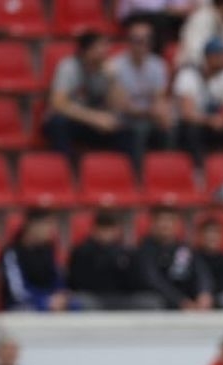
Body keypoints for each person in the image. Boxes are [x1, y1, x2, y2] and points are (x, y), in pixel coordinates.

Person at [45, 32, 146, 175]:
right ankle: (65, 174)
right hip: (74, 120)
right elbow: (58, 103)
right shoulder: (69, 67)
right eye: (101, 46)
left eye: (106, 46)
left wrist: (113, 79)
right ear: (87, 50)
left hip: (95, 123)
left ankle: (129, 177)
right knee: (58, 124)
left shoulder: (107, 70)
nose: (106, 50)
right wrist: (94, 118)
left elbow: (121, 105)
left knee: (129, 132)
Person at [109, 18, 180, 155]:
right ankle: (138, 167)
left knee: (170, 126)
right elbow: (122, 105)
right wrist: (149, 112)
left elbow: (159, 97)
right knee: (140, 129)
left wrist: (161, 113)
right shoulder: (115, 66)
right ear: (129, 42)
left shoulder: (158, 65)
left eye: (147, 40)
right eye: (138, 40)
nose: (142, 45)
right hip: (125, 119)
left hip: (149, 116)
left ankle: (167, 164)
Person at [67, 209, 160, 310]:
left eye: (110, 228)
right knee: (80, 300)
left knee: (151, 301)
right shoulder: (81, 252)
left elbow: (138, 282)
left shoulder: (127, 253)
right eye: (102, 228)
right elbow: (76, 283)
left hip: (123, 299)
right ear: (94, 230)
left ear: (117, 230)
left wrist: (121, 264)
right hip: (95, 298)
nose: (106, 233)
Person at [173, 36, 223, 156]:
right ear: (210, 57)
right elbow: (187, 114)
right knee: (193, 131)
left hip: (215, 123)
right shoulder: (188, 74)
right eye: (222, 55)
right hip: (191, 124)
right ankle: (197, 166)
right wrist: (209, 120)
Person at [0, 209, 79, 313]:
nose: (52, 230)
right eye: (47, 224)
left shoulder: (48, 249)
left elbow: (56, 278)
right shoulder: (11, 253)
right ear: (32, 225)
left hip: (49, 301)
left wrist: (60, 296)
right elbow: (17, 291)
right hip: (22, 305)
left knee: (77, 305)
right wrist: (44, 301)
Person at [136, 206, 211, 309]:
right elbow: (153, 281)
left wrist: (204, 292)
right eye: (161, 220)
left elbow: (201, 272)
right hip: (161, 304)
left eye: (170, 220)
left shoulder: (184, 248)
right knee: (152, 302)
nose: (165, 225)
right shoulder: (145, 250)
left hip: (189, 304)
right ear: (152, 223)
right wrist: (180, 301)